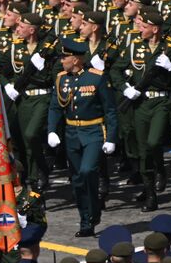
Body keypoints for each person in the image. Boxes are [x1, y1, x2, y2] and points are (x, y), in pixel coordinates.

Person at [46, 39, 118, 238]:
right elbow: (55, 107)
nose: (62, 61)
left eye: (65, 57)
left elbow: (110, 110)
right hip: (72, 135)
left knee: (87, 171)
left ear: (76, 59)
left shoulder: (97, 78)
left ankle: (94, 212)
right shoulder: (62, 79)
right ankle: (86, 220)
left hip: (94, 132)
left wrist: (111, 138)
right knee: (77, 180)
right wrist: (52, 130)